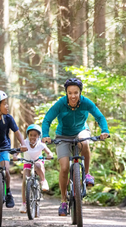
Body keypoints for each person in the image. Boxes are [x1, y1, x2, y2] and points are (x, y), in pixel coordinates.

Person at [41, 78, 109, 216]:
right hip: (62, 136)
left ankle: (87, 174)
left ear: (80, 92)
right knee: (65, 167)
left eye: (76, 93)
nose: (73, 96)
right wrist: (46, 135)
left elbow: (99, 117)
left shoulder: (85, 102)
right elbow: (47, 119)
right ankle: (63, 201)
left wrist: (104, 130)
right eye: (70, 93)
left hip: (80, 132)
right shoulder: (60, 103)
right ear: (66, 93)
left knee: (84, 141)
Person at [14, 124, 54, 214]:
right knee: (25, 179)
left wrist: (49, 156)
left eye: (35, 135)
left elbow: (49, 153)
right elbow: (17, 152)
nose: (32, 137)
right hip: (27, 163)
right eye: (31, 135)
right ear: (28, 135)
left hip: (37, 162)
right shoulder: (24, 143)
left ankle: (43, 181)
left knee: (38, 165)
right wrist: (15, 156)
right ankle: (24, 204)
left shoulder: (41, 144)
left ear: (39, 136)